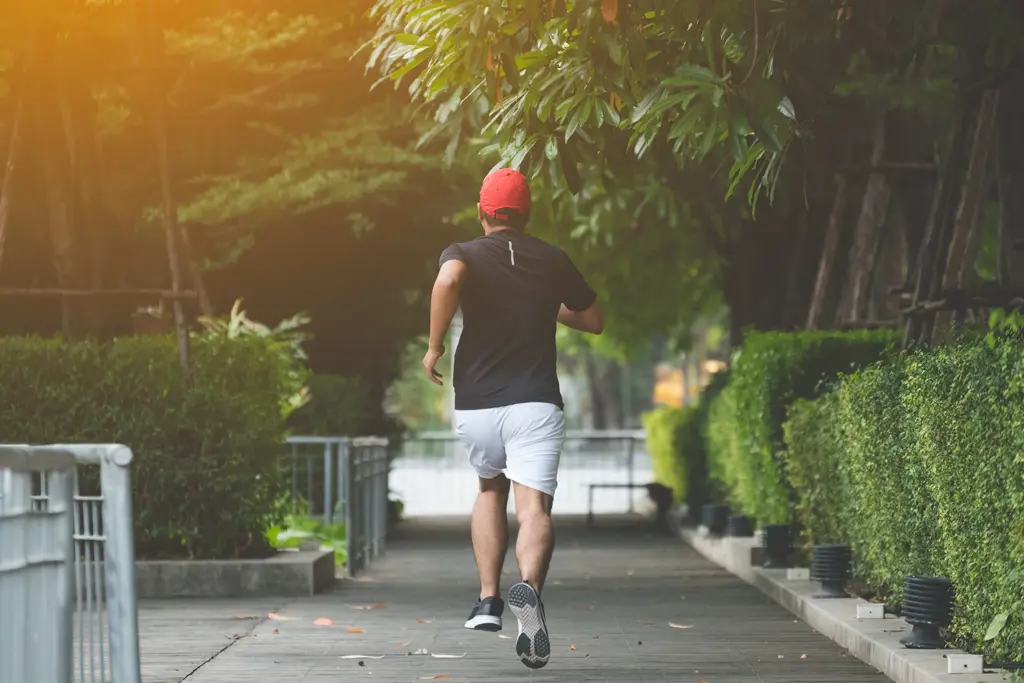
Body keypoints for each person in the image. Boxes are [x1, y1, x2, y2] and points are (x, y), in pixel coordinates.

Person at [422, 168, 604, 670]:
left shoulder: (461, 252)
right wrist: (547, 304)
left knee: (488, 490)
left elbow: (448, 281)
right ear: (526, 215)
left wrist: (435, 346)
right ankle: (529, 590)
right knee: (534, 508)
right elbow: (593, 320)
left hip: (478, 402)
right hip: (535, 403)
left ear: (482, 212)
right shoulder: (551, 258)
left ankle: (488, 601)